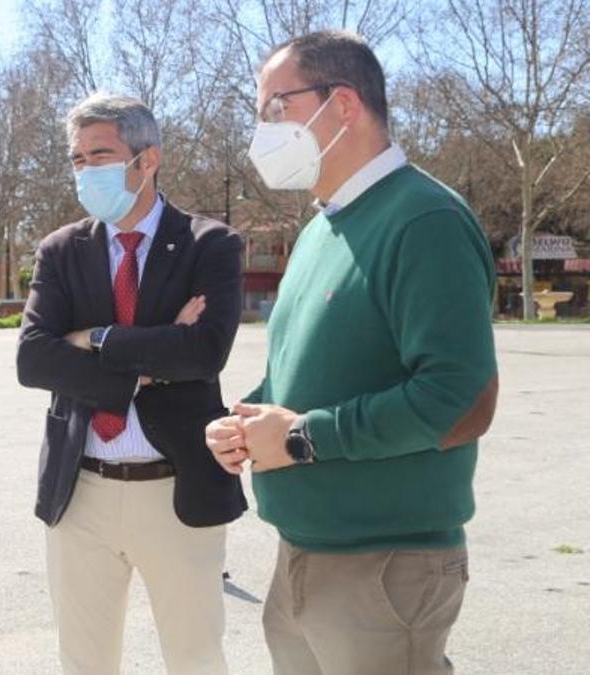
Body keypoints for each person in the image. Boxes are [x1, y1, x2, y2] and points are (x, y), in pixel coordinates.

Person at [206, 31, 498, 675]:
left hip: (384, 568)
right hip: (302, 556)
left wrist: (304, 438)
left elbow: (459, 403)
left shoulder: (425, 220)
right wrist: (250, 418)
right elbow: (302, 379)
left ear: (342, 105)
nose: (263, 131)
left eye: (274, 108)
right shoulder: (321, 228)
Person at [17, 92, 246, 675]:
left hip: (176, 491)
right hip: (82, 490)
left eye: (102, 154)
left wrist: (92, 338)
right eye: (77, 159)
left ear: (148, 161)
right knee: (84, 662)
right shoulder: (62, 251)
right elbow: (34, 360)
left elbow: (203, 352)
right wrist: (150, 356)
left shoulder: (208, 244)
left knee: (195, 658)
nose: (87, 170)